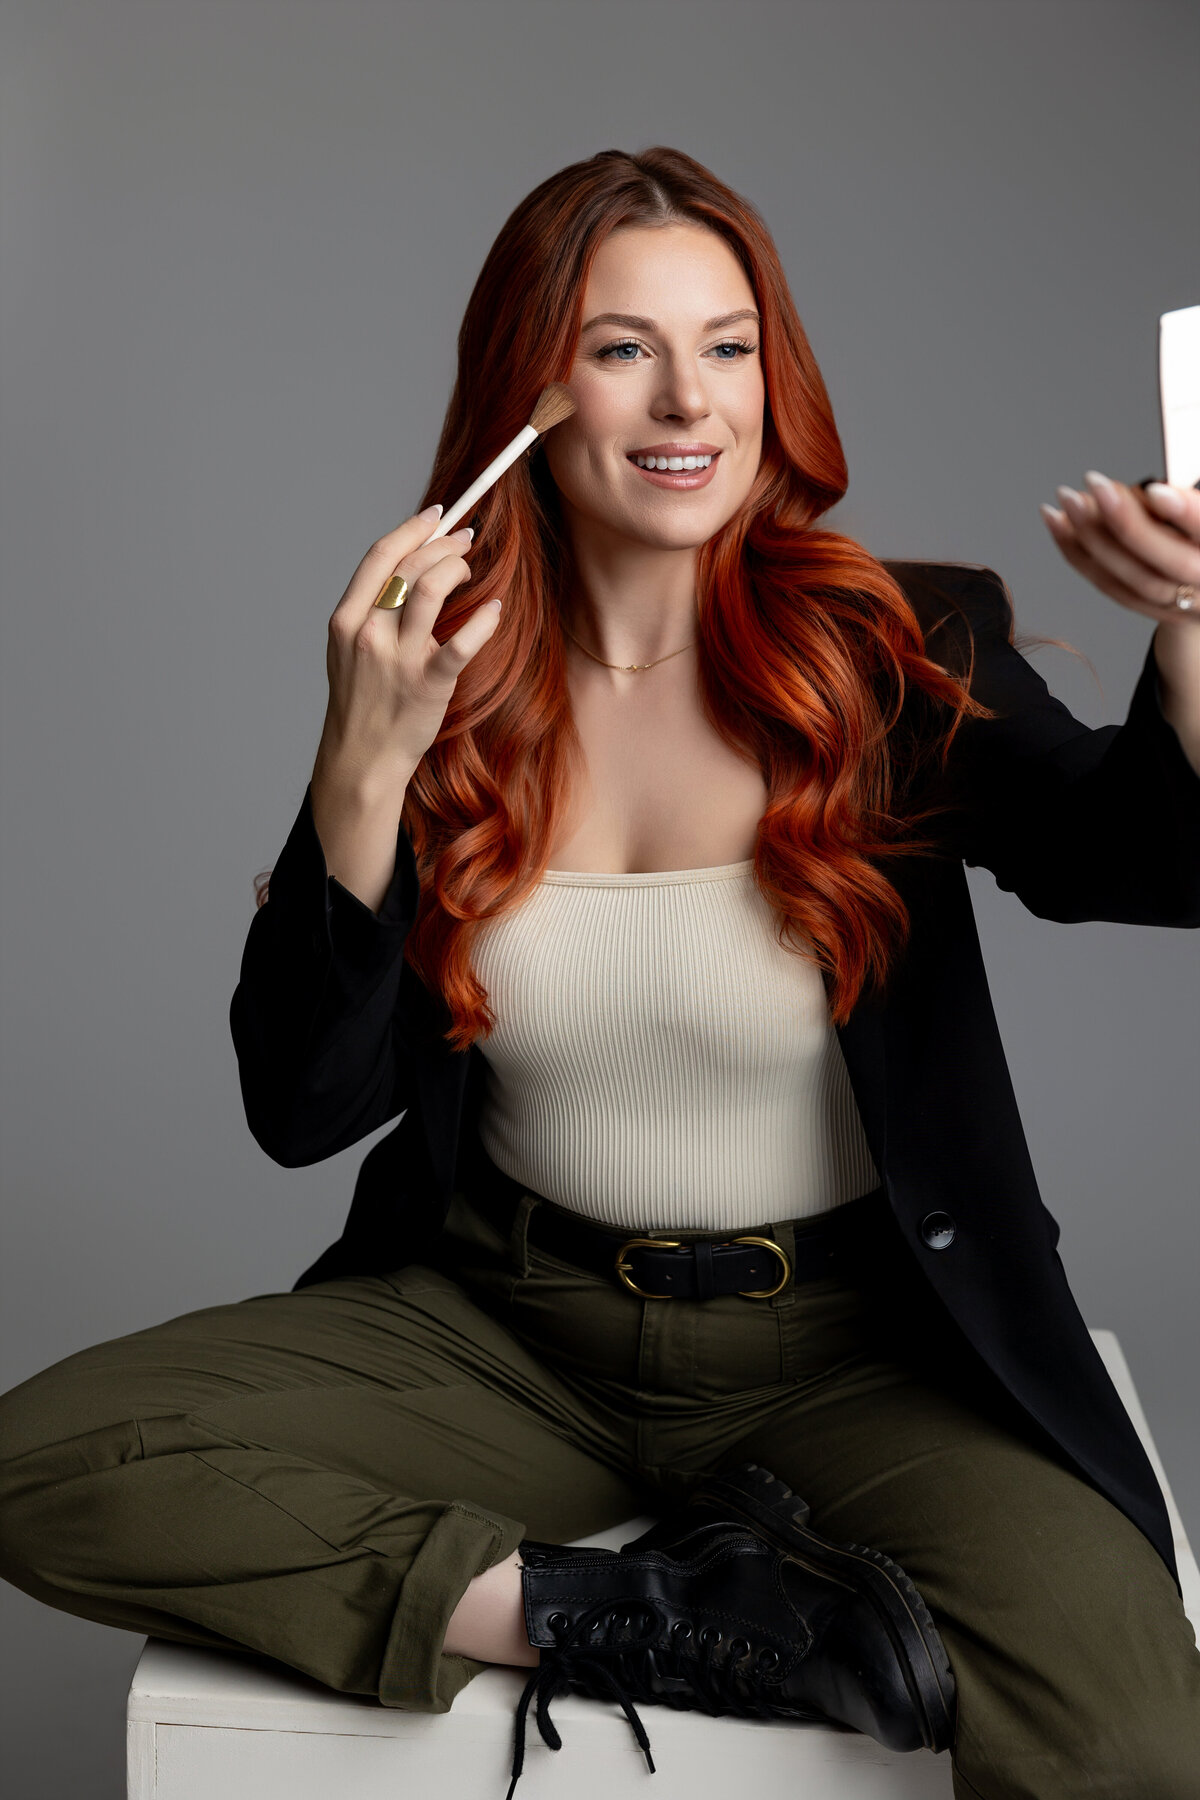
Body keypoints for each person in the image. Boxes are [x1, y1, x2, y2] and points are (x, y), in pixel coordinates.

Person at [2, 145, 1199, 1800]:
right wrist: (361, 763)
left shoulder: (894, 652)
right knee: (43, 1460)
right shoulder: (441, 684)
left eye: (728, 343)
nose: (686, 398)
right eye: (622, 345)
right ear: (533, 388)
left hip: (867, 1342)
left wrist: (1195, 636)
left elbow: (1140, 860)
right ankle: (608, 1609)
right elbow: (302, 1105)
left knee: (1134, 1732)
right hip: (511, 1329)